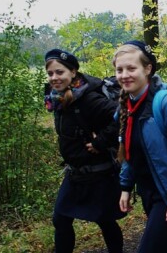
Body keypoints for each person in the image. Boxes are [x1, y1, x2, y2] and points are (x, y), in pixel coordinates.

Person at [114, 41, 167, 252]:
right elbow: (130, 151)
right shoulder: (128, 105)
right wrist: (125, 187)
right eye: (120, 69)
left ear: (148, 68)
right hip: (149, 192)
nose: (125, 75)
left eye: (131, 68)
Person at [44, 49, 124, 253]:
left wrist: (102, 142)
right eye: (51, 73)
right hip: (75, 173)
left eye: (59, 72)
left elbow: (123, 114)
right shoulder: (58, 99)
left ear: (73, 72)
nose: (55, 77)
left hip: (98, 173)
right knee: (60, 219)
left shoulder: (88, 99)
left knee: (105, 221)